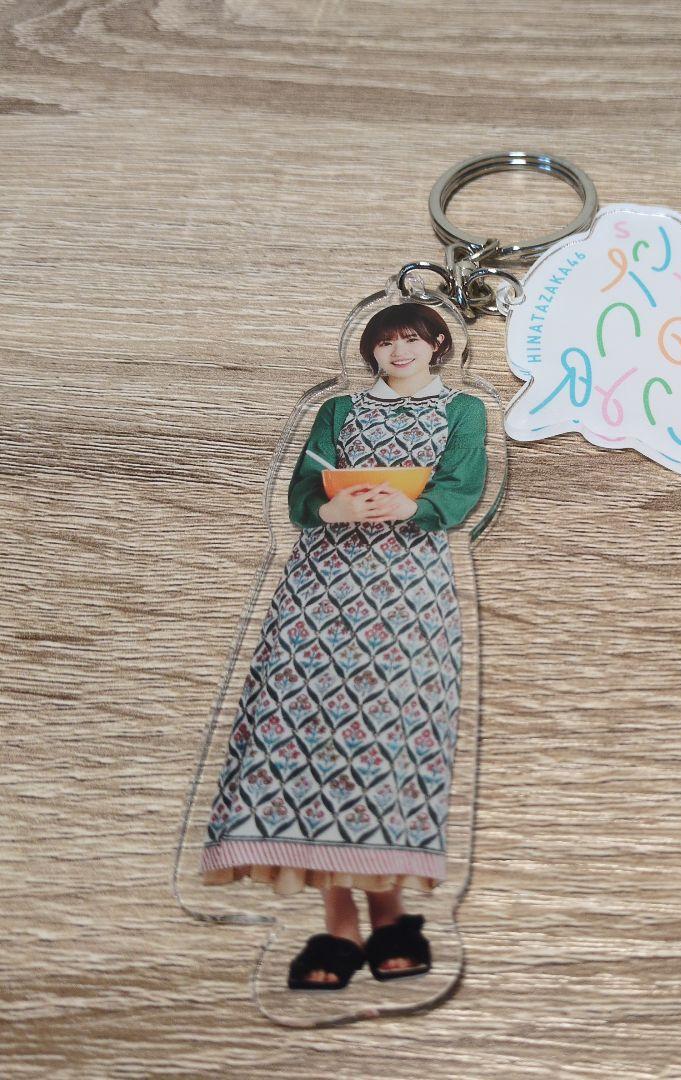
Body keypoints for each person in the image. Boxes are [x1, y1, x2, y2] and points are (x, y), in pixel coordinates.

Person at [199, 302, 488, 988]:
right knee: (304, 732)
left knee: (388, 734)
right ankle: (339, 925)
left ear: (437, 344)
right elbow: (305, 482)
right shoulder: (339, 410)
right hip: (321, 583)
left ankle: (389, 911)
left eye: (411, 339)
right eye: (385, 342)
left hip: (408, 587)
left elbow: (464, 482)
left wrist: (415, 506)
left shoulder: (464, 410)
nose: (398, 352)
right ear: (371, 352)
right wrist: (331, 507)